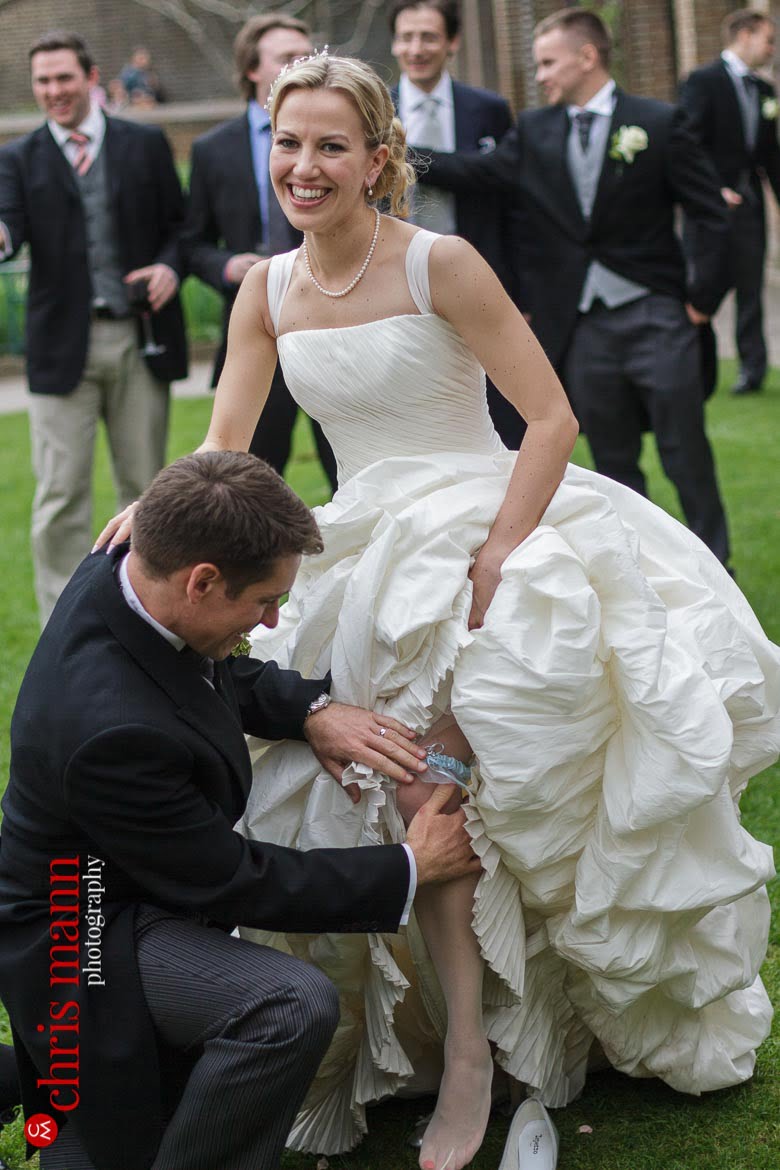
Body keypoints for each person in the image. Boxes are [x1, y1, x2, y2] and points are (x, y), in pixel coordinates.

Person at [98, 52, 779, 1170]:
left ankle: (477, 1049)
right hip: (364, 527)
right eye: (287, 143)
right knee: (356, 765)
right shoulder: (266, 288)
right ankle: (442, 1040)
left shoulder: (440, 263)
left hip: (478, 512)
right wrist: (156, 503)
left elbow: (551, 419)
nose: (304, 167)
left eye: (330, 146)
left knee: (439, 762)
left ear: (378, 157)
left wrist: (503, 549)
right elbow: (229, 438)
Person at [0, 450, 478, 1170]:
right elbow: (234, 880)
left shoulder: (131, 565)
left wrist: (309, 710)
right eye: (263, 601)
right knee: (287, 1007)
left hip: (131, 885)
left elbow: (201, 671)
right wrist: (409, 867)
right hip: (86, 933)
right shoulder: (109, 732)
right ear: (202, 581)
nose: (274, 617)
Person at [420, 8, 733, 567]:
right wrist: (395, 154)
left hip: (658, 314)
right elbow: (477, 173)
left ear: (586, 57)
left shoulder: (658, 122)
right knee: (612, 460)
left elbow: (711, 214)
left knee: (686, 453)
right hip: (581, 326)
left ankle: (717, 566)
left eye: (547, 62)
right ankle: (641, 570)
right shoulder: (536, 130)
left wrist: (699, 303)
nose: (539, 75)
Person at [0, 30, 187, 627]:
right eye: (43, 81)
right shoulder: (17, 158)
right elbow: (8, 229)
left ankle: (149, 614)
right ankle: (65, 627)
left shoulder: (144, 144)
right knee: (60, 496)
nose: (54, 91)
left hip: (139, 338)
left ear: (89, 78)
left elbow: (181, 229)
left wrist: (169, 266)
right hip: (61, 349)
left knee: (147, 488)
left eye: (63, 78)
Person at [183, 14, 338, 490]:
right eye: (287, 58)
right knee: (253, 480)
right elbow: (192, 242)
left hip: (336, 325)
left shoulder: (339, 136)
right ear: (252, 68)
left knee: (353, 471)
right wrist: (227, 265)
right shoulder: (213, 149)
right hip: (259, 331)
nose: (302, 67)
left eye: (309, 56)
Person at [389, 0, 528, 446]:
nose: (416, 48)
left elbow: (505, 188)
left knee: (499, 418)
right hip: (397, 283)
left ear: (452, 42)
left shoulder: (486, 109)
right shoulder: (373, 108)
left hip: (480, 279)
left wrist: (405, 158)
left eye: (428, 37)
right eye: (406, 37)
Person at [680, 8, 780, 396]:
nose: (772, 48)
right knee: (702, 288)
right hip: (710, 210)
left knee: (752, 289)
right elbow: (686, 141)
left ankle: (752, 371)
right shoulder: (702, 81)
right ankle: (691, 367)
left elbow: (771, 157)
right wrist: (712, 188)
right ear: (745, 35)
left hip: (751, 206)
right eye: (768, 40)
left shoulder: (766, 91)